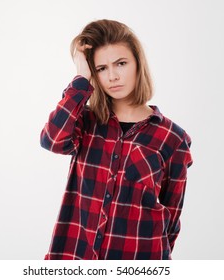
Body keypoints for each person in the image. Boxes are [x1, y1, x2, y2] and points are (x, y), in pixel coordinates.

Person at [40, 19, 193, 260]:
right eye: (101, 68)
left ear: (137, 65)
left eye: (121, 63)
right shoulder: (85, 120)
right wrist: (82, 75)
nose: (112, 76)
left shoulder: (172, 138)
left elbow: (171, 218)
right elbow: (52, 140)